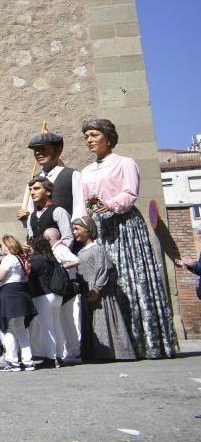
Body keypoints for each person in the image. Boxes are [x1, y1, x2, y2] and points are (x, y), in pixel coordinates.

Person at [80, 118, 178, 359]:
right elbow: (88, 201)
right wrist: (91, 216)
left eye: (93, 135)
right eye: (86, 137)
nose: (89, 140)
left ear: (107, 137)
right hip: (100, 228)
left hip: (124, 226)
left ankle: (145, 341)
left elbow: (129, 192)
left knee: (129, 278)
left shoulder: (125, 163)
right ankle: (113, 342)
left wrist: (110, 204)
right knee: (105, 282)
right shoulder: (86, 171)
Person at [73, 217, 135, 361]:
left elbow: (102, 270)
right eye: (74, 229)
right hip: (86, 292)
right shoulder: (81, 251)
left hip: (98, 293)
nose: (75, 232)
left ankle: (110, 353)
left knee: (102, 321)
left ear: (88, 229)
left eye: (77, 229)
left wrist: (96, 289)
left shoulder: (97, 248)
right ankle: (93, 353)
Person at [17, 131, 86, 224]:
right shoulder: (33, 181)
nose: (38, 153)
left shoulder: (72, 175)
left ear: (58, 151)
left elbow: (80, 207)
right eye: (35, 150)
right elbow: (29, 210)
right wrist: (25, 217)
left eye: (43, 148)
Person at [0, 235, 37, 372]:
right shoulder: (20, 259)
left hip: (10, 294)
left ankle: (13, 362)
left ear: (7, 245)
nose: (1, 248)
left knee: (8, 328)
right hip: (20, 293)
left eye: (2, 245)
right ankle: (28, 361)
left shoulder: (9, 258)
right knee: (21, 329)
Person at [26, 238, 65, 367]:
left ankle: (51, 358)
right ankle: (59, 356)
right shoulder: (51, 258)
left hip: (42, 295)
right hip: (56, 295)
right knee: (57, 326)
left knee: (47, 328)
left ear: (34, 247)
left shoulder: (37, 259)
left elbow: (27, 273)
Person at [45, 227, 81, 364]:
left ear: (49, 239)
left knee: (67, 321)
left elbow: (76, 260)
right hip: (64, 289)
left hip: (67, 289)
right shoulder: (57, 249)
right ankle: (70, 350)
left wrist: (60, 268)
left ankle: (74, 352)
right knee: (63, 321)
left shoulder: (60, 249)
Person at [25, 177, 74, 246]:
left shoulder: (59, 212)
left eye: (36, 189)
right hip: (37, 256)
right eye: (31, 190)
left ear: (48, 192)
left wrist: (59, 254)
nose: (32, 193)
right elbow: (31, 239)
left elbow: (67, 239)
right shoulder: (31, 216)